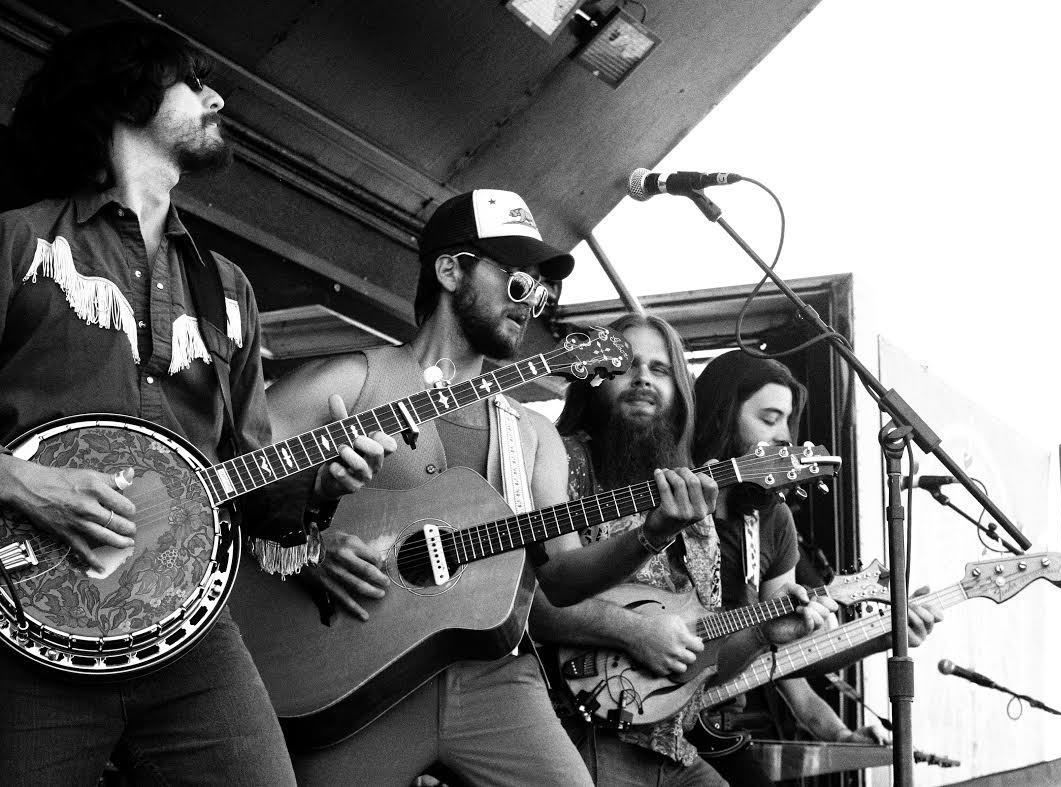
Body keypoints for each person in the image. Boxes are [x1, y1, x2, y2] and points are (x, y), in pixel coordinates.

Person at [0, 21, 394, 786]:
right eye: (194, 80)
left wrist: (322, 480)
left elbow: (248, 487)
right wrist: (25, 482)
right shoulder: (15, 245)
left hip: (187, 634)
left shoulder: (229, 289)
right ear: (128, 92)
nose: (216, 97)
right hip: (24, 619)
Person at [265, 189, 717, 786]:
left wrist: (653, 534)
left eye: (541, 289)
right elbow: (222, 481)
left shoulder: (531, 435)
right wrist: (307, 550)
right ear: (451, 270)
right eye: (517, 282)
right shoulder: (353, 382)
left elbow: (560, 579)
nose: (532, 303)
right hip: (359, 674)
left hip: (496, 678)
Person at [532, 313, 837, 786]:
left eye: (660, 369)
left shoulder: (696, 503)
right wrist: (632, 631)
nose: (643, 380)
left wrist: (761, 634)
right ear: (593, 378)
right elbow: (534, 602)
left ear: (680, 391)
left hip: (673, 745)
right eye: (627, 365)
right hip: (578, 732)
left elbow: (700, 670)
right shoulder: (560, 457)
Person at [693, 349, 944, 786]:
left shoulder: (770, 522)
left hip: (714, 722)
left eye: (788, 422)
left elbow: (778, 657)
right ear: (721, 416)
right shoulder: (672, 502)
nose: (784, 437)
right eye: (769, 419)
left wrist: (839, 731)